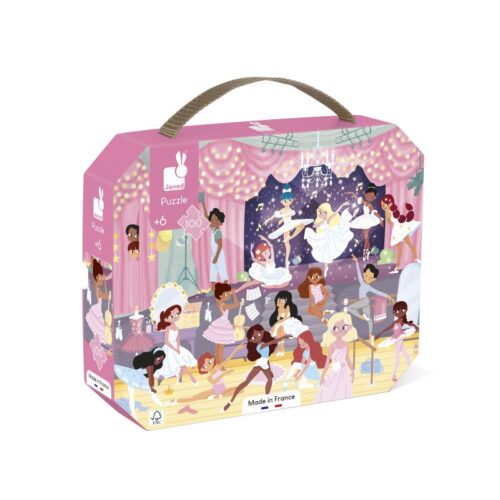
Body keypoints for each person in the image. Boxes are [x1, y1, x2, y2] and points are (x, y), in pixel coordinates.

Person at [222, 325, 292, 412]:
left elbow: (266, 358)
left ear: (262, 332)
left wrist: (269, 370)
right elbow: (274, 341)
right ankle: (231, 401)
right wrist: (284, 337)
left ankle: (267, 397)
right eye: (254, 337)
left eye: (259, 334)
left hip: (265, 363)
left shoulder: (262, 343)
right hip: (260, 364)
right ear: (251, 340)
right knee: (246, 382)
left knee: (270, 380)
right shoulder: (261, 345)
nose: (257, 337)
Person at [344, 255, 394, 343]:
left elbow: (378, 292)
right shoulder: (362, 282)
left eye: (370, 277)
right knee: (368, 319)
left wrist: (387, 296)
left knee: (356, 311)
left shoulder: (368, 287)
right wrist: (356, 262)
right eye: (366, 275)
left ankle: (370, 334)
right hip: (364, 302)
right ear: (364, 274)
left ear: (373, 279)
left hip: (365, 301)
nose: (367, 278)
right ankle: (370, 333)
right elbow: (359, 274)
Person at [264, 184, 313, 268]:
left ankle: (290, 237)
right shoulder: (282, 209)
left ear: (291, 200)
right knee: (286, 243)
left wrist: (282, 219)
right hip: (285, 226)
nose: (286, 202)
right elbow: (275, 215)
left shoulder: (289, 209)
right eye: (284, 200)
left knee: (301, 225)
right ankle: (286, 260)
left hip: (290, 223)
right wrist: (268, 219)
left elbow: (290, 214)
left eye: (288, 200)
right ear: (281, 201)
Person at [304, 201, 354, 275]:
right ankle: (326, 267)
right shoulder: (319, 221)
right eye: (320, 213)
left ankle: (326, 267)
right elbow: (314, 226)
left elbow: (335, 212)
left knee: (329, 250)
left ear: (327, 212)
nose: (322, 214)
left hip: (331, 235)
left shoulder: (328, 219)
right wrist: (321, 222)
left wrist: (342, 205)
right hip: (324, 236)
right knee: (324, 251)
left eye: (324, 212)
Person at [316, 312, 357, 403]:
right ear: (332, 331)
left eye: (343, 327)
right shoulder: (332, 346)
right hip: (336, 371)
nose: (340, 331)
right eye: (336, 328)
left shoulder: (346, 344)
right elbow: (327, 362)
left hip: (344, 372)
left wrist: (353, 371)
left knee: (345, 390)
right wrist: (322, 376)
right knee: (333, 389)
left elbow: (348, 359)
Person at [375, 301, 419, 382]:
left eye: (401, 310)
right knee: (405, 354)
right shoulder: (396, 321)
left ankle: (394, 375)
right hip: (395, 339)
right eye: (397, 311)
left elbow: (410, 323)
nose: (398, 312)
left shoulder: (402, 320)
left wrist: (416, 327)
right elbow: (388, 328)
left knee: (397, 358)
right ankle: (410, 369)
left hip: (399, 339)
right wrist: (379, 334)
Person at [155, 304, 198, 385]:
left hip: (175, 346)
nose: (175, 316)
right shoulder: (167, 328)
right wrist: (174, 349)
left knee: (182, 361)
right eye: (172, 315)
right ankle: (192, 378)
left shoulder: (177, 327)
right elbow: (166, 342)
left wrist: (178, 348)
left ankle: (181, 378)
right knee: (179, 363)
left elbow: (178, 340)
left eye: (177, 314)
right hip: (169, 347)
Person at [380, 194, 421, 273]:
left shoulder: (389, 211)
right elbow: (391, 222)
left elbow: (390, 223)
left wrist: (388, 217)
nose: (383, 207)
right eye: (382, 205)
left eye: (384, 205)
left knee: (406, 244)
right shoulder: (390, 211)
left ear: (390, 204)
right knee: (402, 246)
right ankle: (399, 265)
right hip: (399, 228)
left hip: (400, 228)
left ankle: (415, 259)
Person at [202, 283, 239, 363]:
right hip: (223, 324)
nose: (228, 296)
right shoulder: (224, 305)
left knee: (218, 346)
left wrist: (227, 291)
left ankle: (218, 363)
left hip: (220, 323)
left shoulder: (218, 301)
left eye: (228, 294)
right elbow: (236, 305)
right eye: (225, 294)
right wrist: (234, 294)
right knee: (220, 347)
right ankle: (220, 363)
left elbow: (217, 293)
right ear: (220, 295)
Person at [348, 183, 384, 261]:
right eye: (368, 195)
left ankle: (365, 253)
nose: (370, 197)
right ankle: (367, 252)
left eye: (372, 196)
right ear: (365, 194)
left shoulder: (369, 205)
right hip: (363, 219)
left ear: (374, 197)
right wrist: (352, 193)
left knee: (366, 238)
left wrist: (380, 219)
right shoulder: (365, 202)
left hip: (367, 220)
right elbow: (358, 199)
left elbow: (374, 212)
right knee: (365, 237)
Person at [269, 290, 307, 357]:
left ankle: (281, 348)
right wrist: (279, 312)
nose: (279, 302)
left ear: (287, 301)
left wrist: (275, 326)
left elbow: (286, 319)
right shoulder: (278, 309)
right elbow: (278, 319)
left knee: (280, 326)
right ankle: (280, 347)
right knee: (280, 328)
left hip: (291, 324)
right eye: (278, 300)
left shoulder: (289, 307)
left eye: (281, 300)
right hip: (283, 326)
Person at [201, 201, 228, 293]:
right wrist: (203, 205)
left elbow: (220, 246)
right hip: (214, 255)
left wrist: (216, 257)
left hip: (219, 255)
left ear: (220, 222)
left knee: (222, 272)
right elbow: (206, 218)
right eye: (212, 219)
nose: (213, 221)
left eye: (216, 220)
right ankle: (212, 290)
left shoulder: (217, 232)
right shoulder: (213, 229)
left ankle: (226, 289)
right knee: (213, 273)